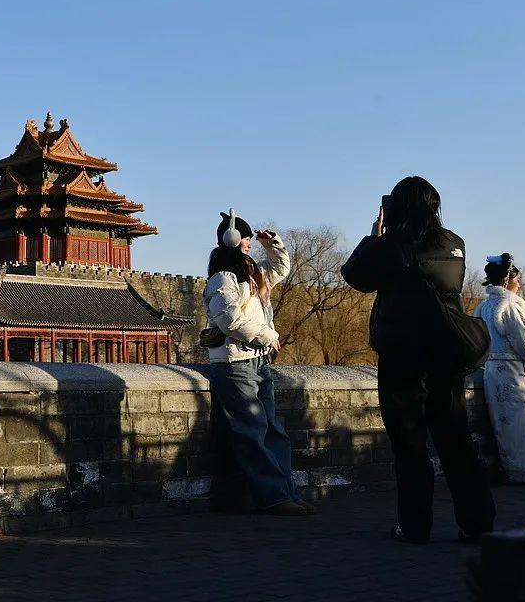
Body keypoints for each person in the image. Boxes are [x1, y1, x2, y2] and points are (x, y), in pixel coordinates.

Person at [341, 176, 495, 544]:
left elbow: (355, 276)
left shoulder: (394, 245)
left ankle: (415, 525)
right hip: (447, 352)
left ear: (396, 207)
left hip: (403, 355)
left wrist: (375, 236)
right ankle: (476, 522)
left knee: (409, 444)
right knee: (456, 440)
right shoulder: (454, 244)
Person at [204, 209, 314, 516]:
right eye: (248, 240)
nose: (250, 244)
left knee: (273, 430)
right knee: (251, 431)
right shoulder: (223, 279)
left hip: (257, 361)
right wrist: (267, 335)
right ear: (233, 240)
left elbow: (281, 269)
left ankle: (286, 492)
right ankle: (274, 498)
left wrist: (273, 244)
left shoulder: (252, 275)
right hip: (235, 363)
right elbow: (229, 319)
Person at [473, 254, 525, 484]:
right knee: (521, 422)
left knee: (504, 423)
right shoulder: (511, 304)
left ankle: (512, 467)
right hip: (514, 372)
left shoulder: (484, 306)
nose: (520, 283)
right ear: (507, 278)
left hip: (492, 372)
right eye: (518, 279)